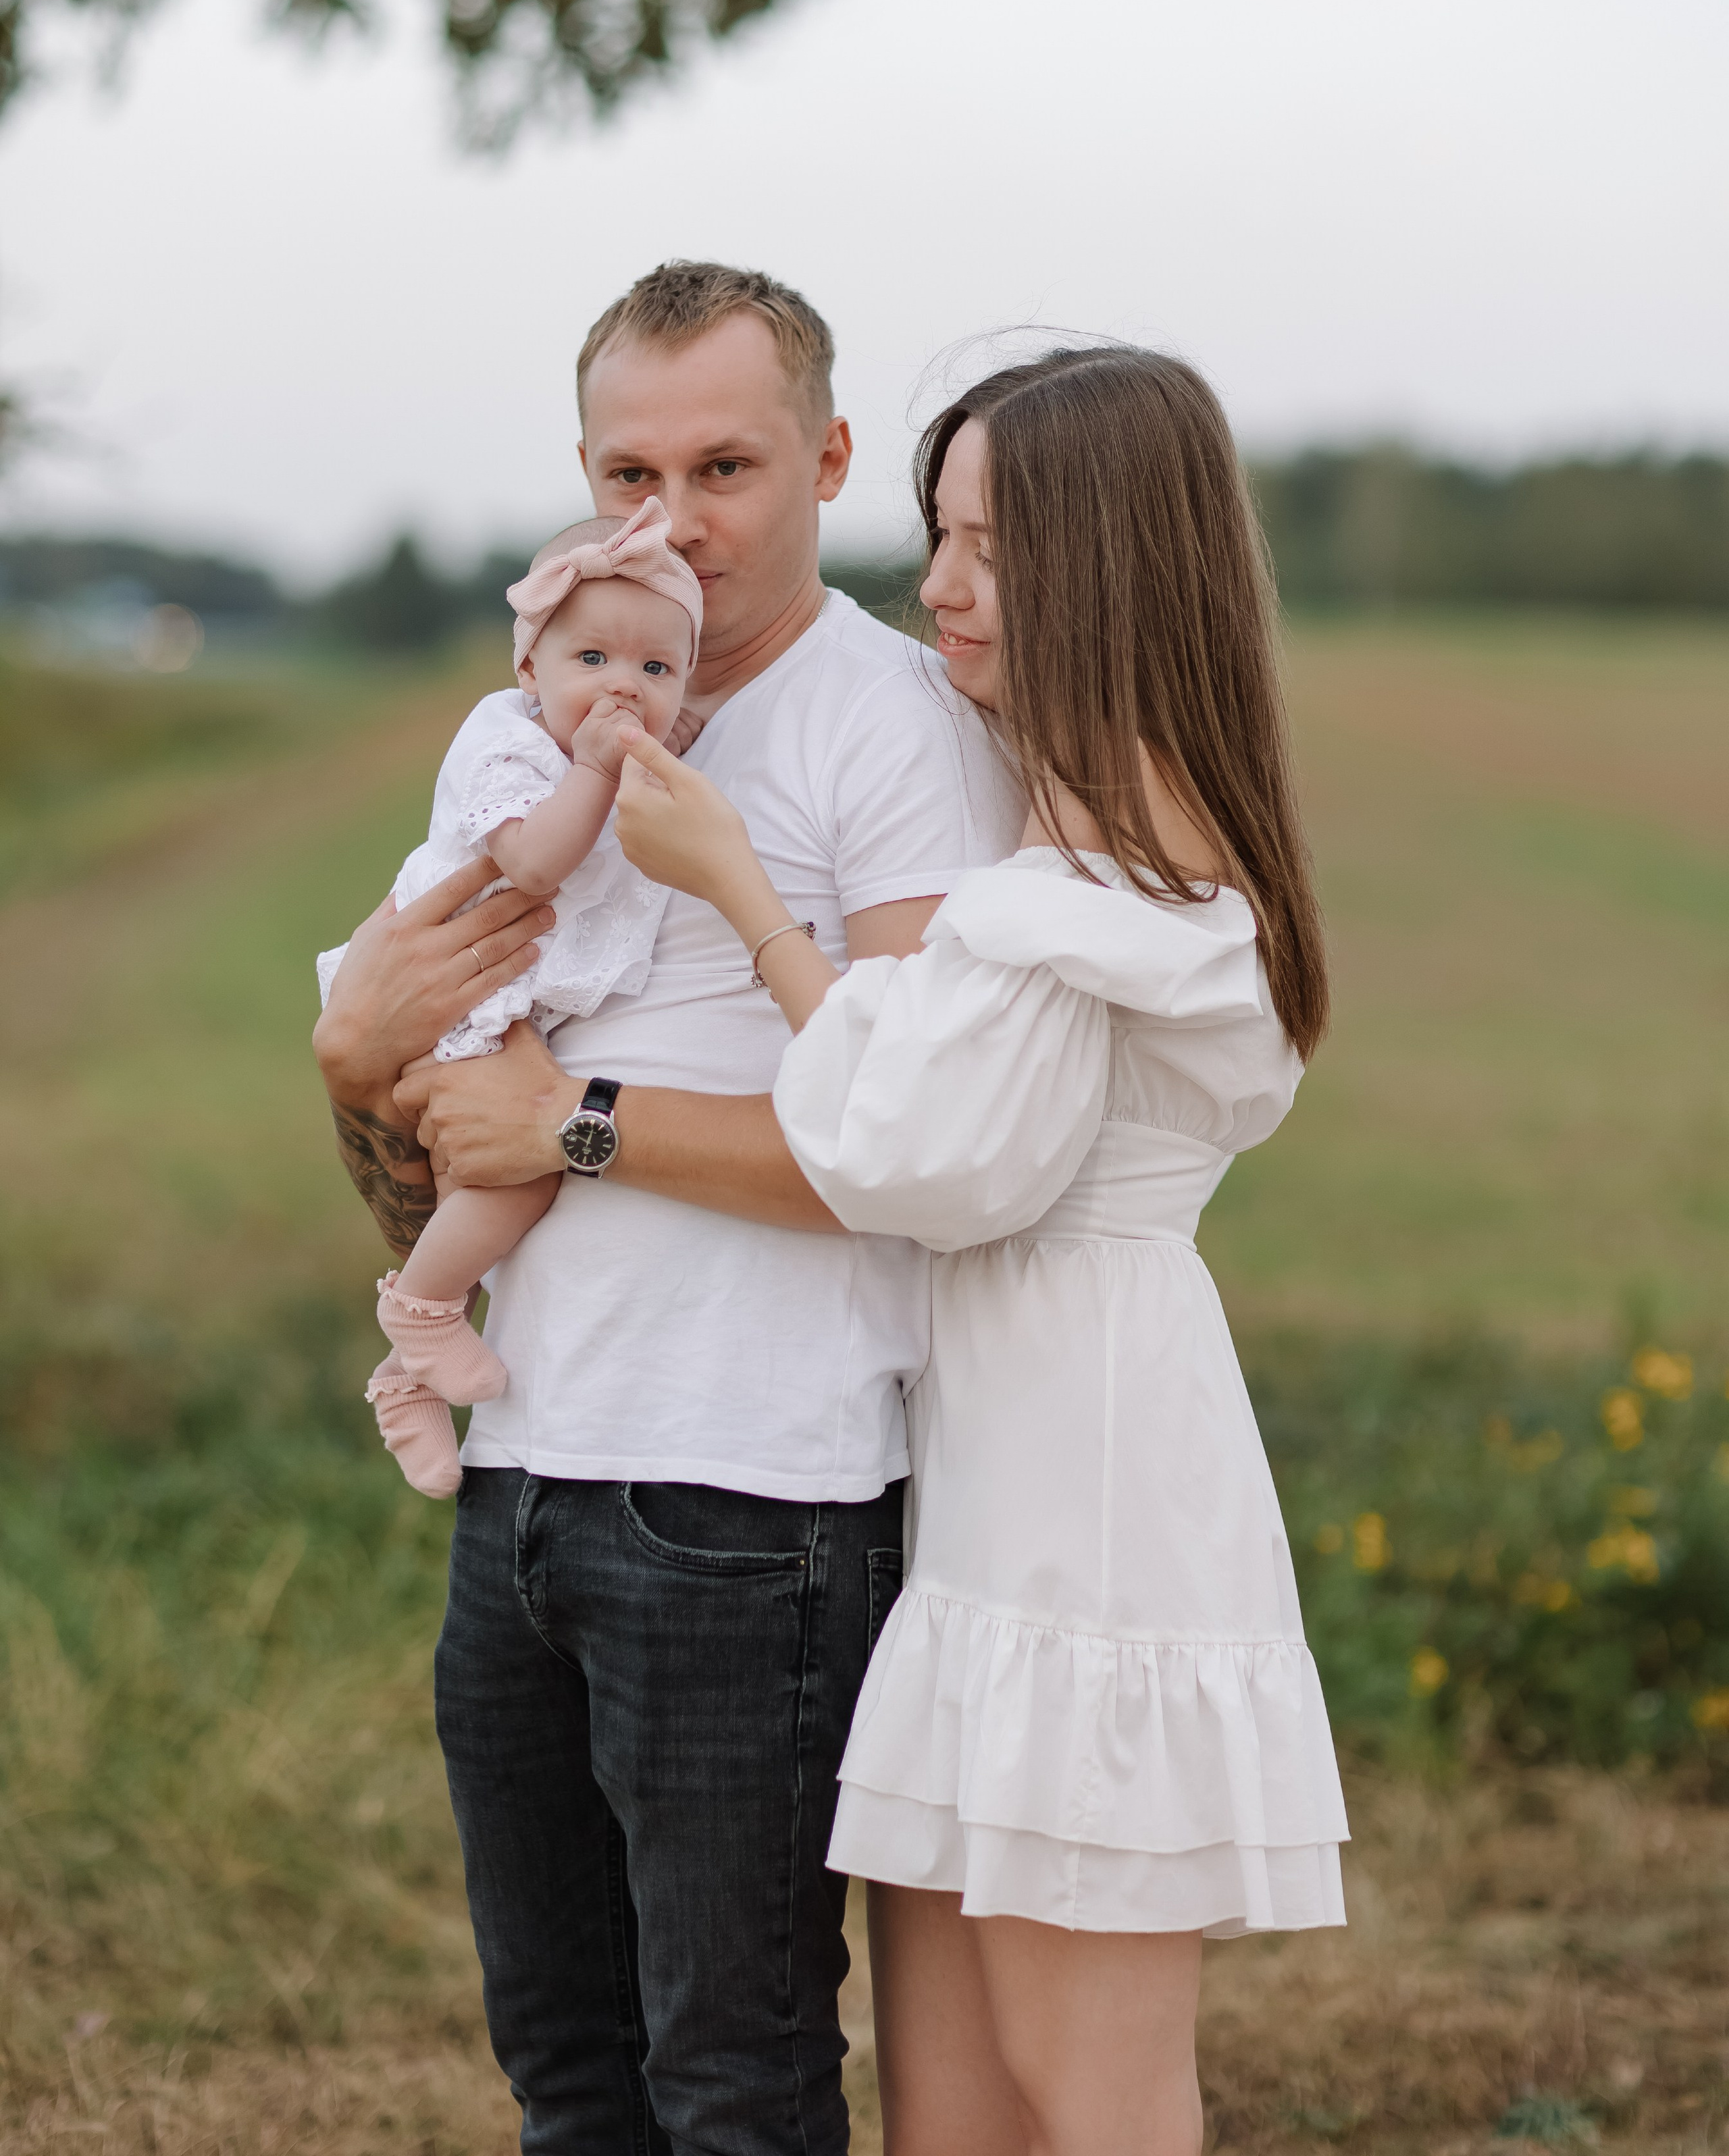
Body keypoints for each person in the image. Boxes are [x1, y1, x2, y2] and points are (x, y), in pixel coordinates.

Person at [311, 262, 1022, 2156]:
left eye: (728, 464)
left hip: (750, 1505)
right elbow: (422, 1110)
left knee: (736, 2082)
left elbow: (924, 1152)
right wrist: (354, 1059)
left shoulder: (897, 731)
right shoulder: (539, 720)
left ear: (831, 460)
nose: (675, 519)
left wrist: (582, 1122)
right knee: (565, 2070)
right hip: (522, 1473)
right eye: (633, 469)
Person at [607, 346, 1349, 2156]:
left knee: (1089, 2098)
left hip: (1083, 1512)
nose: (940, 584)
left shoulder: (1117, 880)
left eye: (994, 547)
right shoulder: (1066, 823)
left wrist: (745, 899)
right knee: (955, 2109)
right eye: (938, 532)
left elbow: (909, 1149)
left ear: (1116, 566)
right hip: (995, 1489)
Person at [314, 498, 704, 1498]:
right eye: (594, 662)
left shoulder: (595, 741)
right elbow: (531, 862)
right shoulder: (509, 749)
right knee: (522, 1176)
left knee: (514, 1189)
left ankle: (407, 1386)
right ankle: (423, 1316)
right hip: (456, 989)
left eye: (657, 670)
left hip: (505, 990)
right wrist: (599, 764)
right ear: (528, 668)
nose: (626, 687)